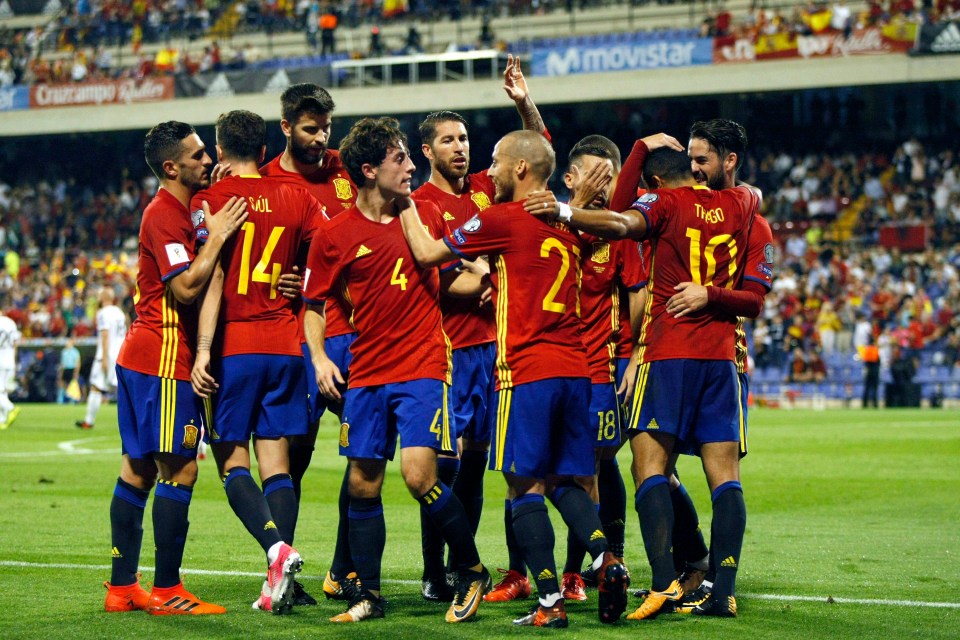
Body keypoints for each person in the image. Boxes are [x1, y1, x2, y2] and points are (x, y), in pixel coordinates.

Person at [525, 125, 761, 620]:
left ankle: (662, 583)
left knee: (649, 469)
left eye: (703, 158)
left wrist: (567, 208)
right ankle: (722, 589)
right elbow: (751, 215)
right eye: (693, 161)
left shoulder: (664, 207)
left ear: (654, 181)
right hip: (720, 358)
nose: (697, 167)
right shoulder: (744, 206)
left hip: (666, 353)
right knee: (726, 479)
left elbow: (616, 220)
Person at [398, 129, 631, 628]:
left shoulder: (503, 218)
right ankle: (606, 560)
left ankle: (549, 602)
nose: (492, 169)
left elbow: (427, 253)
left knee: (522, 486)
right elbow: (607, 229)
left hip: (524, 372)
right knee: (565, 482)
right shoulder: (572, 225)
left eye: (498, 161)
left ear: (521, 168)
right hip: (576, 370)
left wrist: (402, 202)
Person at [302, 116, 491, 624]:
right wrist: (320, 358)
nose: (411, 166)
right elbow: (313, 303)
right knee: (363, 482)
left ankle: (471, 569)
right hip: (365, 372)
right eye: (399, 159)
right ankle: (369, 594)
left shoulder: (423, 214)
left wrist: (487, 286)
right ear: (369, 170)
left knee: (417, 475)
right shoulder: (335, 234)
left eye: (409, 156)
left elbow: (454, 276)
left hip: (423, 365)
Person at [412, 53, 547, 603]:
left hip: (497, 351)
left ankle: (491, 568)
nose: (461, 147)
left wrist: (523, 103)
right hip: (449, 349)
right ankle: (433, 570)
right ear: (428, 151)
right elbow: (441, 283)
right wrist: (486, 274)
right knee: (442, 466)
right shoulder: (420, 204)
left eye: (465, 138)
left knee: (485, 468)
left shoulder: (485, 195)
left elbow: (537, 157)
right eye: (448, 140)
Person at [104, 120, 247, 615]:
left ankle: (122, 588)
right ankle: (167, 589)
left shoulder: (185, 208)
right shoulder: (164, 214)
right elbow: (185, 288)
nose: (207, 160)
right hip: (163, 358)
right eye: (199, 155)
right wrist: (218, 238)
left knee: (137, 470)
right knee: (181, 468)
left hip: (143, 357)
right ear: (172, 167)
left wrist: (221, 197)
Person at [190, 110, 326, 614]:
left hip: (237, 347)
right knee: (278, 464)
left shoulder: (213, 201)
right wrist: (306, 285)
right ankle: (279, 581)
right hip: (286, 347)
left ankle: (276, 550)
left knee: (231, 460)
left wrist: (203, 349)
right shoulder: (299, 198)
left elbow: (214, 280)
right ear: (265, 144)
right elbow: (333, 247)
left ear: (221, 150)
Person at [260, 82, 358, 605]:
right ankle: (282, 570)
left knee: (362, 456)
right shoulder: (263, 179)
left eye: (325, 128)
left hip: (351, 331)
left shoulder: (347, 167)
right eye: (309, 129)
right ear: (285, 128)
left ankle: (343, 570)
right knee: (290, 459)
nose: (321, 138)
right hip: (293, 336)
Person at [76, 287, 127, 429]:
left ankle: (89, 421)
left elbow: (105, 335)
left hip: (107, 354)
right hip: (120, 353)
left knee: (96, 387)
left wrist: (104, 358)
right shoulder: (119, 312)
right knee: (124, 389)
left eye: (99, 295)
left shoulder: (103, 313)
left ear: (103, 297)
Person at [0, 308, 20, 428]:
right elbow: (15, 343)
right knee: (3, 391)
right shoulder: (10, 322)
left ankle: (11, 408)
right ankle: (2, 419)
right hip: (10, 360)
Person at [860, 335, 881, 407]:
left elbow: (865, 361)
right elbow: (878, 361)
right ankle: (875, 404)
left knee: (867, 388)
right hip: (875, 370)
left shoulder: (867, 350)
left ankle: (864, 404)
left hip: (868, 370)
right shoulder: (875, 350)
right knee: (874, 388)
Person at [59, 338, 81, 404]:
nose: (67, 343)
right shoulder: (64, 352)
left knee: (73, 384)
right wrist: (61, 373)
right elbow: (62, 363)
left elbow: (78, 362)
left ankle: (73, 399)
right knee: (63, 384)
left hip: (72, 369)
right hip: (65, 369)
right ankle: (65, 397)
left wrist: (76, 372)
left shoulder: (75, 351)